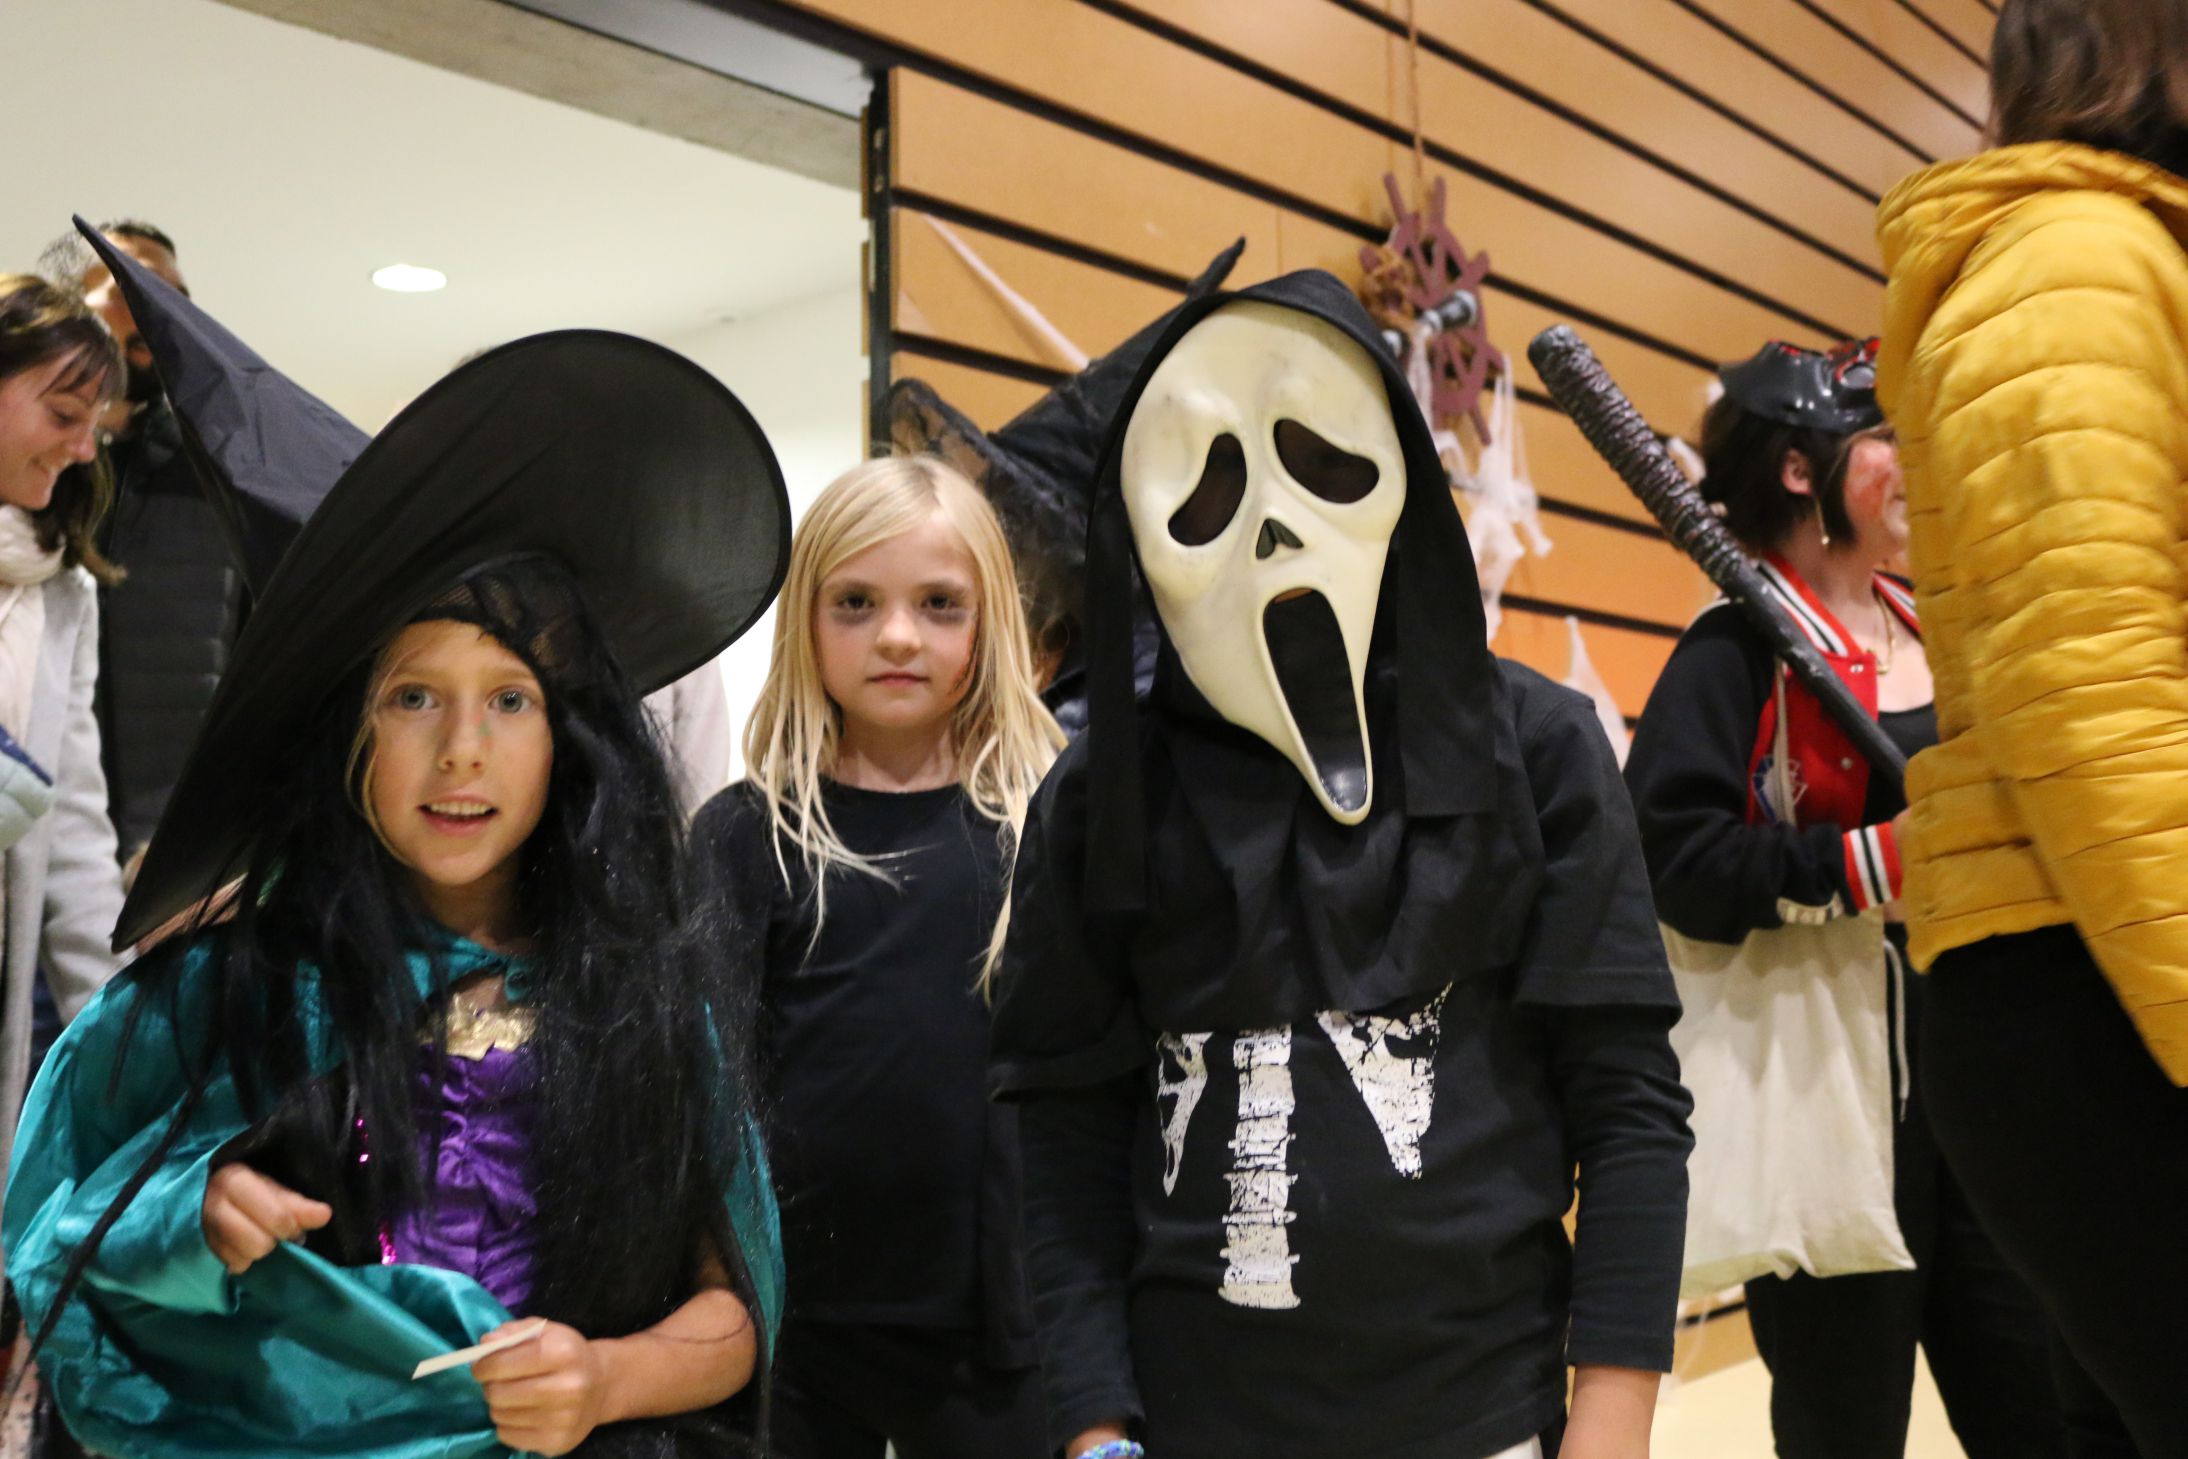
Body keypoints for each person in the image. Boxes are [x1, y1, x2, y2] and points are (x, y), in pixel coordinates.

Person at [3, 326, 794, 1459]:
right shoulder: (243, 983)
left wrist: (605, 1377)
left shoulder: (641, 997)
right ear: (347, 731)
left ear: (570, 739)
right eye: (413, 696)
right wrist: (193, 1215)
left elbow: (737, 1311)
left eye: (510, 700)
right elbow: (58, 1233)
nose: (462, 748)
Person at [988, 270, 1693, 1459]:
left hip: (1481, 1417)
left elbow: (1627, 1104)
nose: (1269, 528)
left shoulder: (1537, 750)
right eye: (1207, 489)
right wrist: (1095, 1430)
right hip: (1196, 1423)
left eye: (1320, 460)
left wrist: (1608, 1424)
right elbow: (1063, 1128)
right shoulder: (1102, 798)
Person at [1623, 340, 2064, 1459]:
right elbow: (1672, 859)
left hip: (1990, 1084)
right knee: (1844, 1428)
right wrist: (1867, 865)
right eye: (1882, 439)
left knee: (2042, 1408)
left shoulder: (1935, 628)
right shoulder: (1736, 652)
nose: (1914, 460)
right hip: (1830, 1106)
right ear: (1798, 469)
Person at [1875, 0, 2188, 1450]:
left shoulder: (2118, 252)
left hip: (2105, 967)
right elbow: (2095, 696)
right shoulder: (2075, 261)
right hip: (2098, 976)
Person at [690, 454, 1063, 1459]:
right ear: (806, 621)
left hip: (999, 1330)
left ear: (988, 622)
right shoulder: (747, 836)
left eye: (939, 603)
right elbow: (707, 1089)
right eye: (855, 602)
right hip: (789, 1328)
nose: (897, 635)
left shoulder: (1043, 830)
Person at [39, 220, 243, 866]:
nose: (158, 311)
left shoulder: (222, 473)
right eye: (132, 286)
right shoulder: (27, 470)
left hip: (176, 845)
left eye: (175, 298)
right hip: (34, 834)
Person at [0, 275, 130, 1181]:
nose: (83, 447)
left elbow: (72, 826)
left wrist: (117, 1037)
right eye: (63, 413)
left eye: (95, 425)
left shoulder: (62, 591)